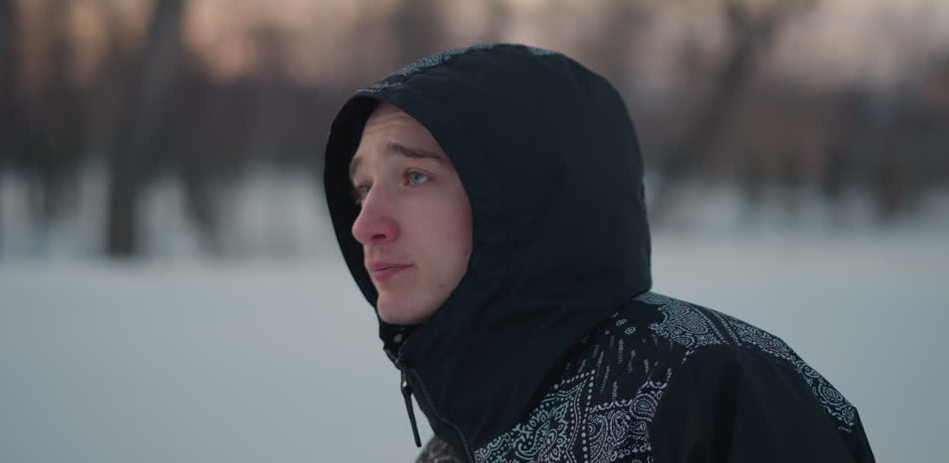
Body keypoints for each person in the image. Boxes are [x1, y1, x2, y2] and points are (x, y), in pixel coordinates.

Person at [323, 44, 876, 463]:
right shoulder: (455, 441)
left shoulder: (711, 385)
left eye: (414, 176)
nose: (364, 225)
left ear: (525, 194)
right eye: (362, 189)